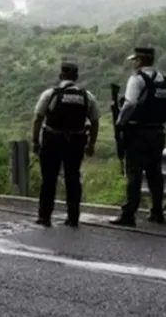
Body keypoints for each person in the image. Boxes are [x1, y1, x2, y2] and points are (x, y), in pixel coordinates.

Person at [31, 62, 100, 228]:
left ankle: (45, 216)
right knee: (73, 178)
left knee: (49, 179)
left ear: (60, 76)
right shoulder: (87, 96)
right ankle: (73, 217)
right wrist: (91, 144)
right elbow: (95, 121)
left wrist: (35, 141)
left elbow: (38, 118)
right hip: (76, 142)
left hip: (52, 140)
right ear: (76, 77)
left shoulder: (50, 94)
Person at [111, 47, 166, 227]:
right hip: (158, 132)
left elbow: (130, 104)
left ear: (139, 61)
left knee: (134, 174)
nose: (133, 64)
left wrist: (120, 122)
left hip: (138, 133)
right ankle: (157, 212)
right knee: (155, 174)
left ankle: (129, 214)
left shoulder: (137, 79)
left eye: (134, 60)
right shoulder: (163, 79)